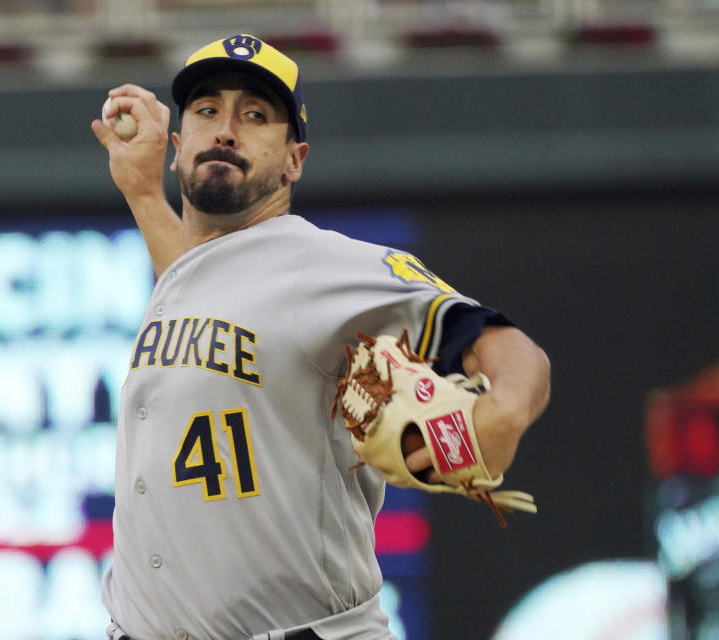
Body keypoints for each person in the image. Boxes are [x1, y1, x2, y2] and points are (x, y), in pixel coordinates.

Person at [91, 34, 551, 640]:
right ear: (178, 148)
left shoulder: (322, 264)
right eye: (207, 111)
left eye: (255, 116)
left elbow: (506, 343)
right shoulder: (189, 278)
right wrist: (143, 191)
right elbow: (212, 294)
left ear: (294, 160)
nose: (225, 130)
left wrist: (505, 412)